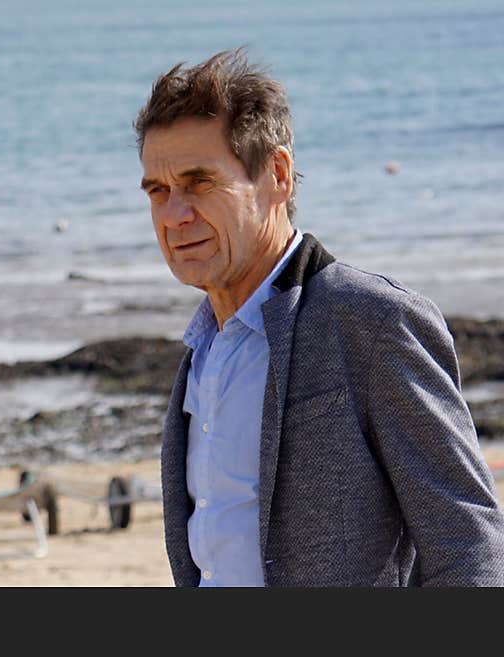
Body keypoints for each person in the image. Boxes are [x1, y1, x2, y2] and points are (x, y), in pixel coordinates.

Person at [134, 48, 504, 586]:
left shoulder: (371, 322)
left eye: (199, 182)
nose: (174, 215)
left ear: (278, 174)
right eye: (158, 191)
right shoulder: (201, 353)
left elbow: (468, 544)